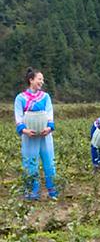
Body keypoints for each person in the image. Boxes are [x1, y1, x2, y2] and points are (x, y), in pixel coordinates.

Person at [14, 68, 57, 200]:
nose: (42, 82)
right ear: (31, 80)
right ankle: (32, 193)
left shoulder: (45, 97)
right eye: (39, 79)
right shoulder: (20, 98)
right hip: (29, 135)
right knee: (30, 162)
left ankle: (53, 191)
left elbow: (50, 113)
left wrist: (49, 128)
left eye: (42, 79)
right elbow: (18, 116)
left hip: (45, 134)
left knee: (49, 161)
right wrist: (24, 130)